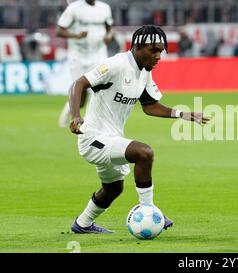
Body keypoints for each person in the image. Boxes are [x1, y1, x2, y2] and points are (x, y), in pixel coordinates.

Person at [69, 25, 209, 233]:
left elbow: (150, 106)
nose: (158, 56)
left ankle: (82, 224)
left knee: (113, 188)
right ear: (138, 46)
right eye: (154, 50)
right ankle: (149, 210)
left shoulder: (144, 73)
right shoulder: (116, 64)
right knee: (144, 153)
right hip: (93, 138)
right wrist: (76, 116)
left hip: (111, 139)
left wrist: (183, 115)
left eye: (161, 51)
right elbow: (78, 84)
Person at [57, 0, 114, 128]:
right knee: (80, 92)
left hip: (98, 55)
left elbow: (109, 30)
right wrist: (76, 35)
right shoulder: (74, 8)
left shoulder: (105, 8)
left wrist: (108, 37)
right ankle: (66, 115)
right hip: (78, 55)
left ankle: (89, 123)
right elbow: (59, 31)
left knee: (98, 90)